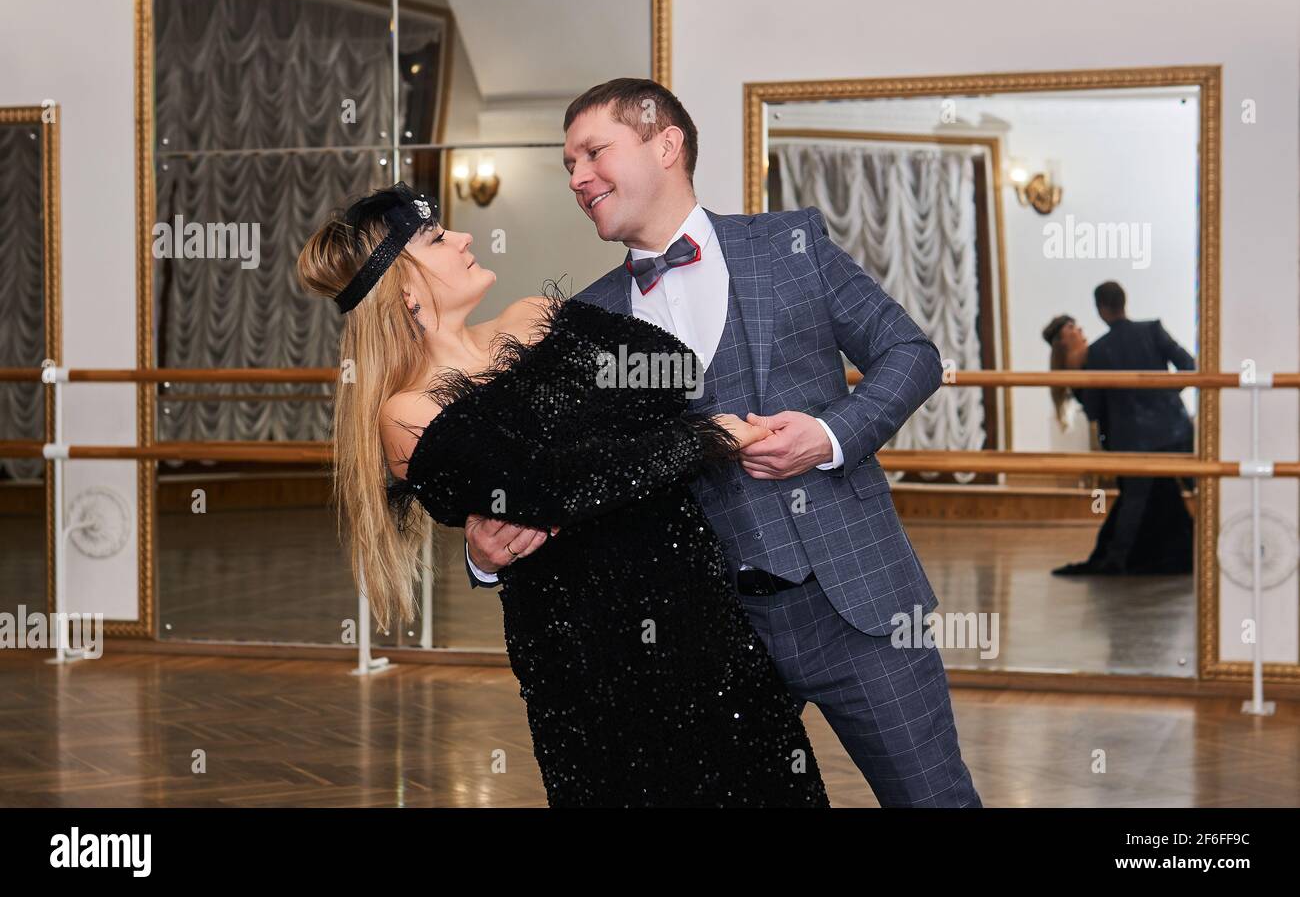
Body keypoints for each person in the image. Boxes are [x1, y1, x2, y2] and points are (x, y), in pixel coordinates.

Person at [466, 78, 982, 807]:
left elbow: (911, 353)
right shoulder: (585, 319)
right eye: (568, 166)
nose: (578, 178)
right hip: (703, 638)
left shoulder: (789, 245)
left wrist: (832, 434)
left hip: (859, 608)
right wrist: (486, 554)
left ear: (665, 143)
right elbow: (573, 480)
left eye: (591, 152)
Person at [296, 181, 829, 807]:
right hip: (586, 658)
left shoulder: (531, 317)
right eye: (438, 238)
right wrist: (704, 437)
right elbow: (546, 489)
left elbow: (671, 371)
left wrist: (576, 464)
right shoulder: (404, 414)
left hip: (701, 615)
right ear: (404, 289)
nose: (464, 237)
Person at [1043, 291, 1195, 576]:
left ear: (1101, 309)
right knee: (1188, 490)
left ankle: (1119, 559)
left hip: (1134, 441)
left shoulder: (1099, 351)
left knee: (1137, 500)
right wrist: (1165, 397)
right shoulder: (1151, 330)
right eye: (1072, 328)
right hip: (1173, 430)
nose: (1080, 329)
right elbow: (1190, 366)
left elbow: (1095, 410)